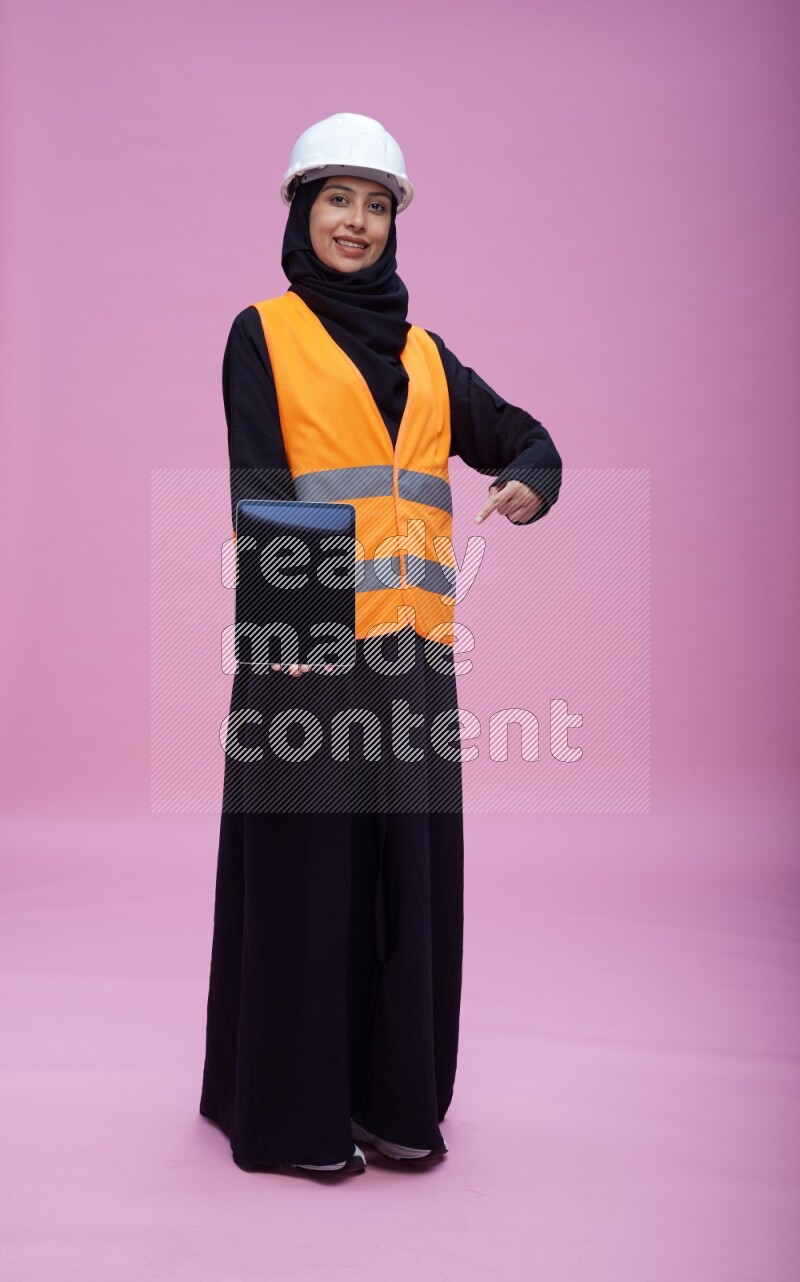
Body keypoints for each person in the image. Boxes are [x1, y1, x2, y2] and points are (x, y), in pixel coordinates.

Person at [199, 113, 562, 1177]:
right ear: (301, 212)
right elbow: (261, 485)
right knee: (308, 885)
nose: (355, 222)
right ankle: (291, 1117)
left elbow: (525, 438)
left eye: (374, 204)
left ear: (395, 222)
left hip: (415, 662)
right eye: (336, 200)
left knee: (411, 882)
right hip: (305, 656)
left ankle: (396, 1102)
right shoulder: (262, 334)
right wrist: (294, 645)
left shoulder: (428, 356)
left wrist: (529, 481)